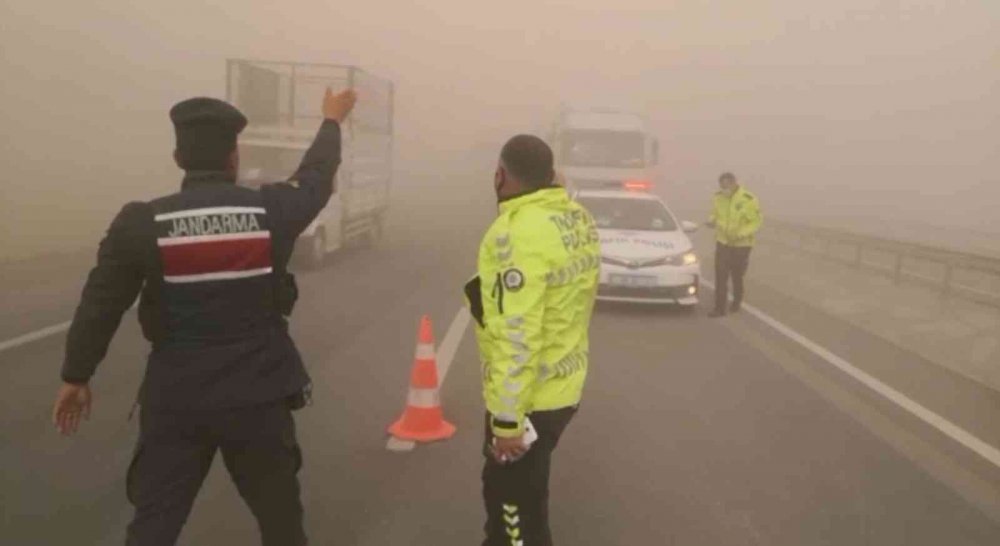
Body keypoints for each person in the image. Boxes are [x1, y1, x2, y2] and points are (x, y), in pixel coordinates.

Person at [51, 86, 357, 546]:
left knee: (154, 526)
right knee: (281, 523)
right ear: (234, 156)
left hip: (177, 399)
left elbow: (101, 302)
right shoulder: (269, 211)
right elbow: (316, 179)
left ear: (178, 156)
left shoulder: (141, 224)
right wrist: (332, 121)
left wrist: (77, 375)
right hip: (259, 396)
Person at [464, 135, 600, 546]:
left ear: (500, 175)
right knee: (528, 491)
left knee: (511, 511)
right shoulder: (577, 217)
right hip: (565, 384)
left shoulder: (515, 233)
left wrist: (507, 422)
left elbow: (516, 336)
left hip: (530, 400)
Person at [705, 172, 763, 317]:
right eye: (722, 185)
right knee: (720, 275)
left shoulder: (748, 199)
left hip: (741, 246)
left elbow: (756, 222)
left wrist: (741, 234)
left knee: (737, 275)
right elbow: (715, 214)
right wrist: (711, 220)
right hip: (723, 243)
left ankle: (737, 301)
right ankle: (719, 308)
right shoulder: (718, 197)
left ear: (734, 183)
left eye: (727, 185)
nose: (725, 188)